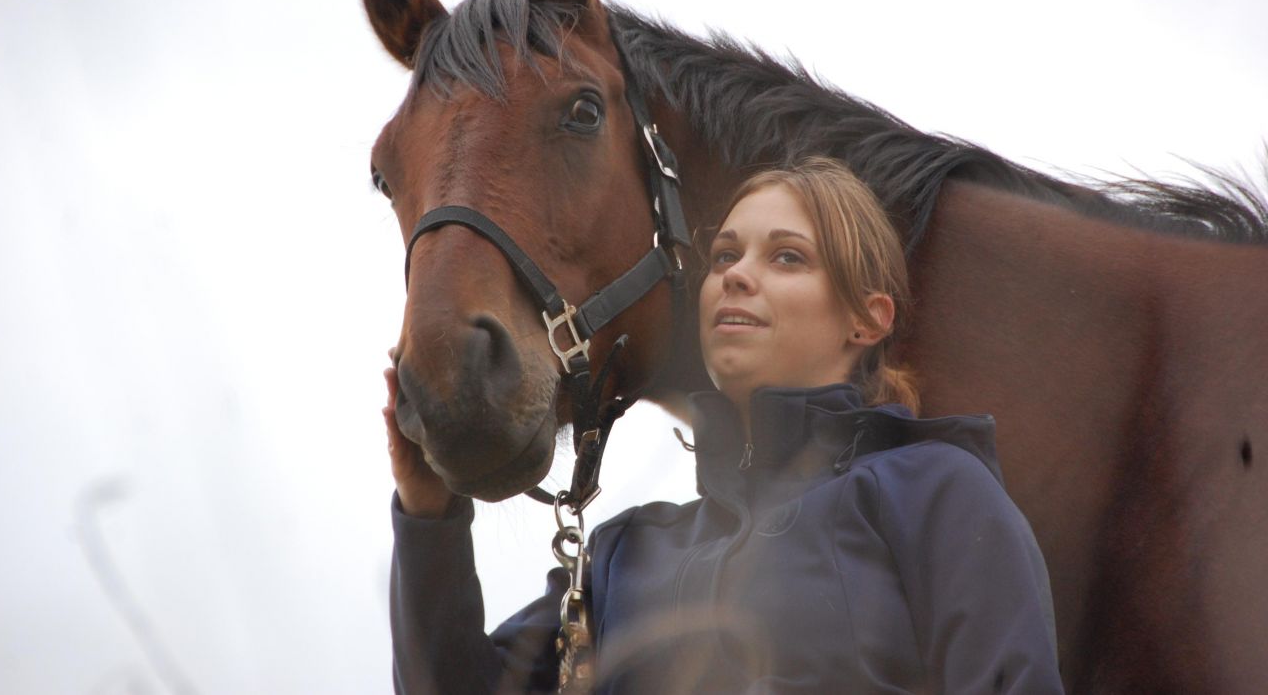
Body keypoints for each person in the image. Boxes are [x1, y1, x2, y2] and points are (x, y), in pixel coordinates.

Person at [383, 157, 1064, 694]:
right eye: (724, 256)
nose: (737, 276)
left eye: (787, 257)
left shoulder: (937, 491)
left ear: (867, 319)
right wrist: (428, 513)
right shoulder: (623, 555)